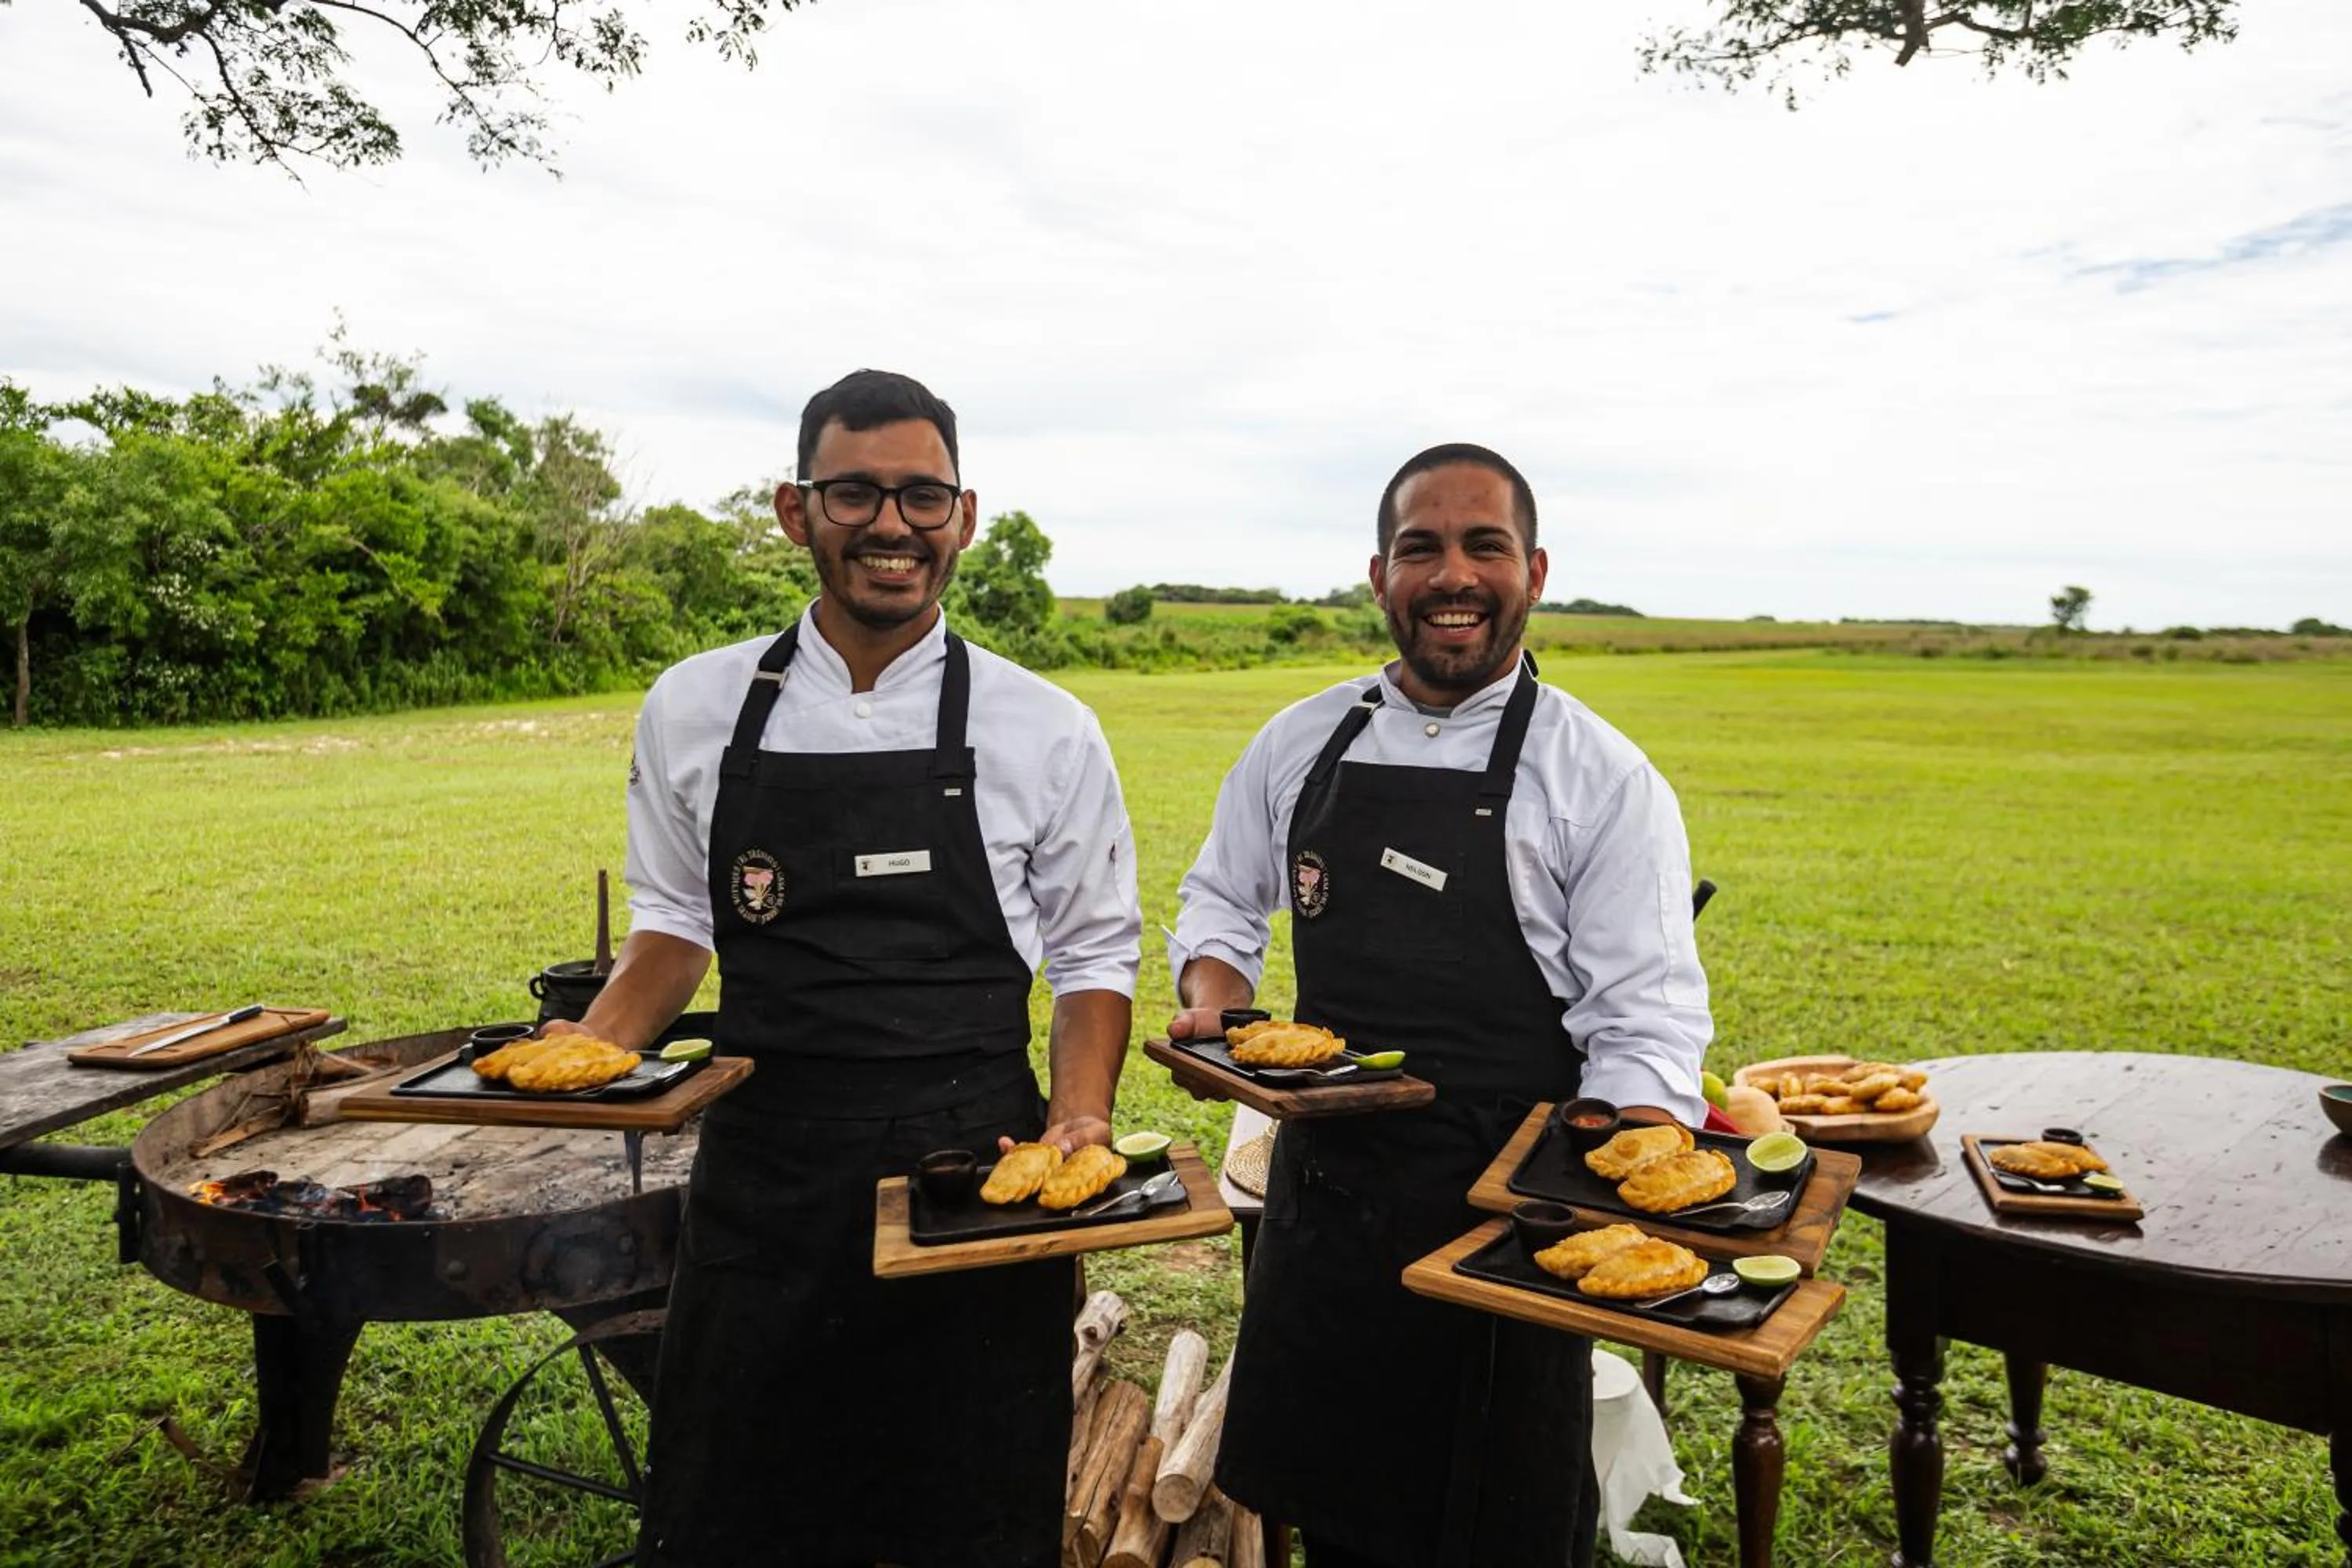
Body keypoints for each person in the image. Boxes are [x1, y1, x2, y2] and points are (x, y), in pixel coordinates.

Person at [551, 368, 1142, 1566]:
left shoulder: (1044, 725)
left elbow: (1092, 952)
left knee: (965, 1507)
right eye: (855, 493)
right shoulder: (697, 705)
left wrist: (1081, 1117)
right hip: (766, 1172)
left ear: (963, 518)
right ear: (794, 509)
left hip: (977, 1172)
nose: (890, 526)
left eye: (922, 497)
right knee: (743, 1507)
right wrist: (584, 1054)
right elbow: (673, 926)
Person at [1165, 443, 1712, 1567]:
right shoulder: (1301, 741)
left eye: (1484, 546)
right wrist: (1214, 1002)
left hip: (1506, 1224)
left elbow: (1644, 1022)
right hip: (1324, 1207)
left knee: (1498, 1523)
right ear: (1380, 576)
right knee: (1338, 1521)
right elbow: (1220, 897)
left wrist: (1627, 1170)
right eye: (1422, 547)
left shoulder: (1601, 778)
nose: (1452, 574)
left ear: (1535, 570)